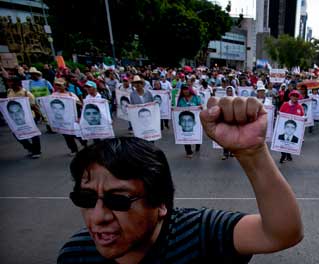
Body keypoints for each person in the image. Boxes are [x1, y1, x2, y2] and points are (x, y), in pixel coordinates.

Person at [57, 97, 303, 264]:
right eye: (86, 199)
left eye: (118, 200)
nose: (98, 217)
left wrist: (252, 153)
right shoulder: (75, 254)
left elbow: (282, 234)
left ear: (161, 203)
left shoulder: (201, 234)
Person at [6, 77, 41, 158]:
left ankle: (37, 151)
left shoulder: (27, 94)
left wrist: (38, 116)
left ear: (16, 83)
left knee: (33, 134)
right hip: (15, 118)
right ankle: (30, 148)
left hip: (30, 117)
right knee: (17, 134)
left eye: (10, 82)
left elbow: (34, 106)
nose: (8, 84)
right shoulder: (9, 91)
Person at [52, 78, 87, 156]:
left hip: (72, 118)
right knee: (67, 135)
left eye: (60, 85)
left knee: (77, 133)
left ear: (65, 86)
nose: (58, 87)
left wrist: (75, 103)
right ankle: (74, 150)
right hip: (62, 120)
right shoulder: (53, 95)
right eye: (57, 85)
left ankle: (84, 145)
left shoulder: (71, 94)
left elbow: (80, 104)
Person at [278, 90, 304, 163]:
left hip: (293, 129)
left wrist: (304, 119)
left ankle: (288, 154)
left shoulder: (299, 106)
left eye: (296, 96)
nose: (295, 97)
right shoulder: (285, 104)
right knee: (283, 141)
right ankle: (283, 155)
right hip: (284, 127)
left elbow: (302, 116)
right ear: (290, 96)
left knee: (290, 142)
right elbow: (280, 113)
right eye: (293, 96)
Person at [177, 84, 202, 158]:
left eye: (187, 89)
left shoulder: (195, 97)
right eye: (184, 89)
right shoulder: (181, 99)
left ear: (190, 90)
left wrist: (200, 106)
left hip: (196, 120)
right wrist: (174, 110)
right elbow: (178, 109)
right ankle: (188, 151)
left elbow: (200, 105)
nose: (185, 91)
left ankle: (197, 144)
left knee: (196, 134)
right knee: (185, 135)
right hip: (184, 121)